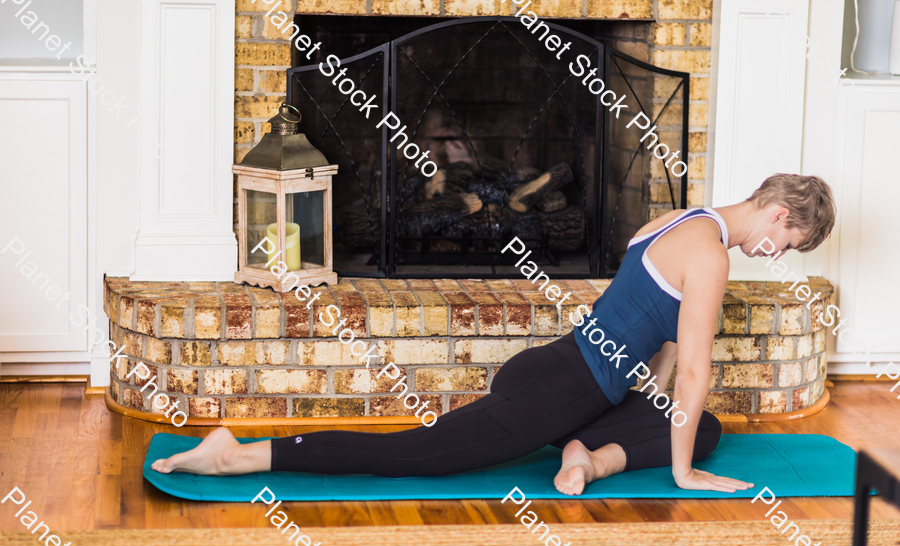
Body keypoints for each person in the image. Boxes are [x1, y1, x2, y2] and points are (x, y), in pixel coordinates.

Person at [152, 173, 836, 496]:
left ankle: (588, 457)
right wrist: (681, 474)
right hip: (560, 394)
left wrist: (642, 407)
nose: (777, 254)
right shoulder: (713, 256)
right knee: (417, 457)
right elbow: (692, 369)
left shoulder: (682, 219)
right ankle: (240, 456)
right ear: (778, 215)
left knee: (705, 425)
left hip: (554, 369)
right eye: (789, 242)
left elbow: (657, 337)